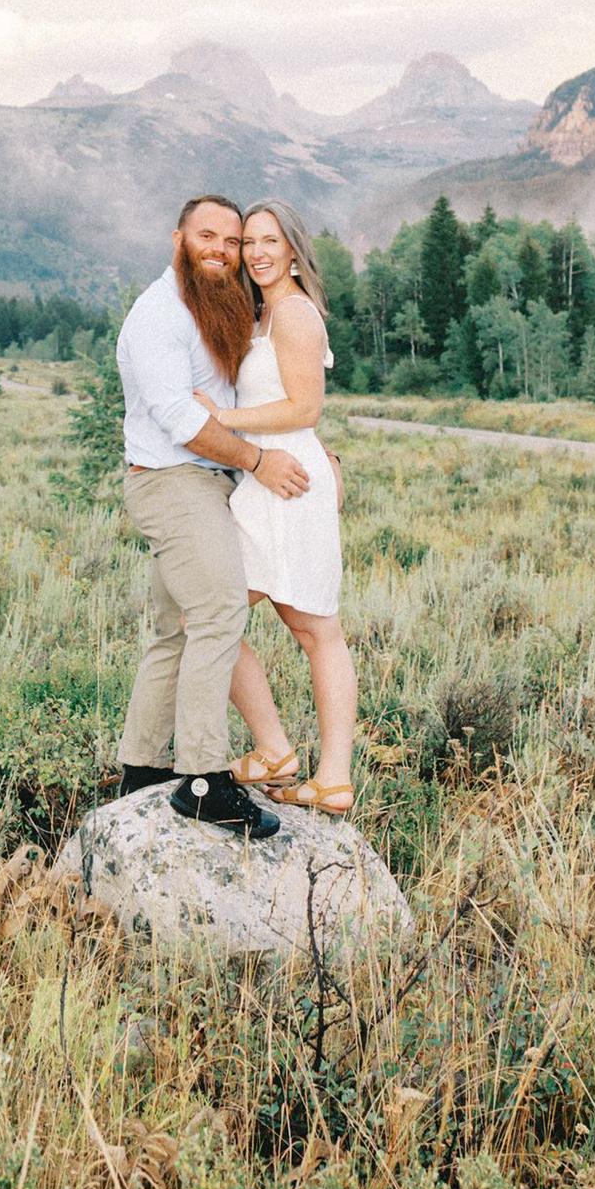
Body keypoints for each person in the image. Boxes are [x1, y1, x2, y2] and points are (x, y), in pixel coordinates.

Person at [115, 194, 310, 837]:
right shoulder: (158, 315)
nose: (223, 250)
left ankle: (142, 770)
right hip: (175, 482)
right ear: (179, 239)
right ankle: (202, 781)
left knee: (174, 630)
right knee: (221, 610)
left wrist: (308, 448)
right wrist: (258, 461)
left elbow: (250, 395)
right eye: (209, 236)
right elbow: (182, 422)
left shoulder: (209, 305)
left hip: (201, 481)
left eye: (233, 241)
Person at [195, 201, 358, 815]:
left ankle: (327, 774)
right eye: (250, 242)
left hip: (286, 483)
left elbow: (303, 409)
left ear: (294, 249)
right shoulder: (261, 313)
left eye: (271, 241)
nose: (258, 253)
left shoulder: (293, 313)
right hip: (267, 479)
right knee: (216, 615)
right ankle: (279, 753)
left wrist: (219, 419)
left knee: (314, 629)